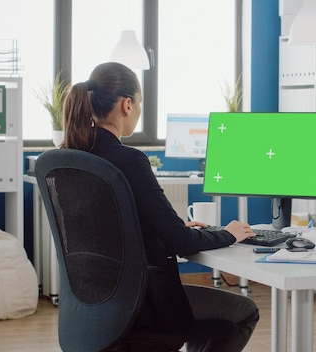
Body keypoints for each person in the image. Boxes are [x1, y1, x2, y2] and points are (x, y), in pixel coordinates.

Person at [61, 62, 259, 351]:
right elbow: (180, 241)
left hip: (91, 305)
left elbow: (108, 231)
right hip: (145, 306)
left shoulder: (71, 157)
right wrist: (229, 233)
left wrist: (167, 229)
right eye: (140, 102)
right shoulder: (129, 160)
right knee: (244, 311)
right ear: (127, 105)